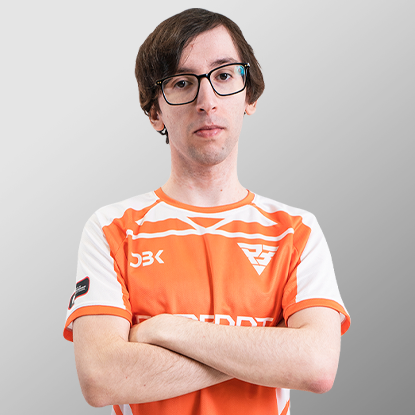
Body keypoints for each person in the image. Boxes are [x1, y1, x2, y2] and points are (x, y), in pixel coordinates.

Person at [64, 8, 350, 415]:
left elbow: (316, 366)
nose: (207, 101)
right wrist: (268, 352)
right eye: (182, 82)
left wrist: (166, 330)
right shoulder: (112, 229)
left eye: (224, 75)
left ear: (249, 96)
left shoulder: (296, 231)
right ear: (155, 113)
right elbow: (101, 378)